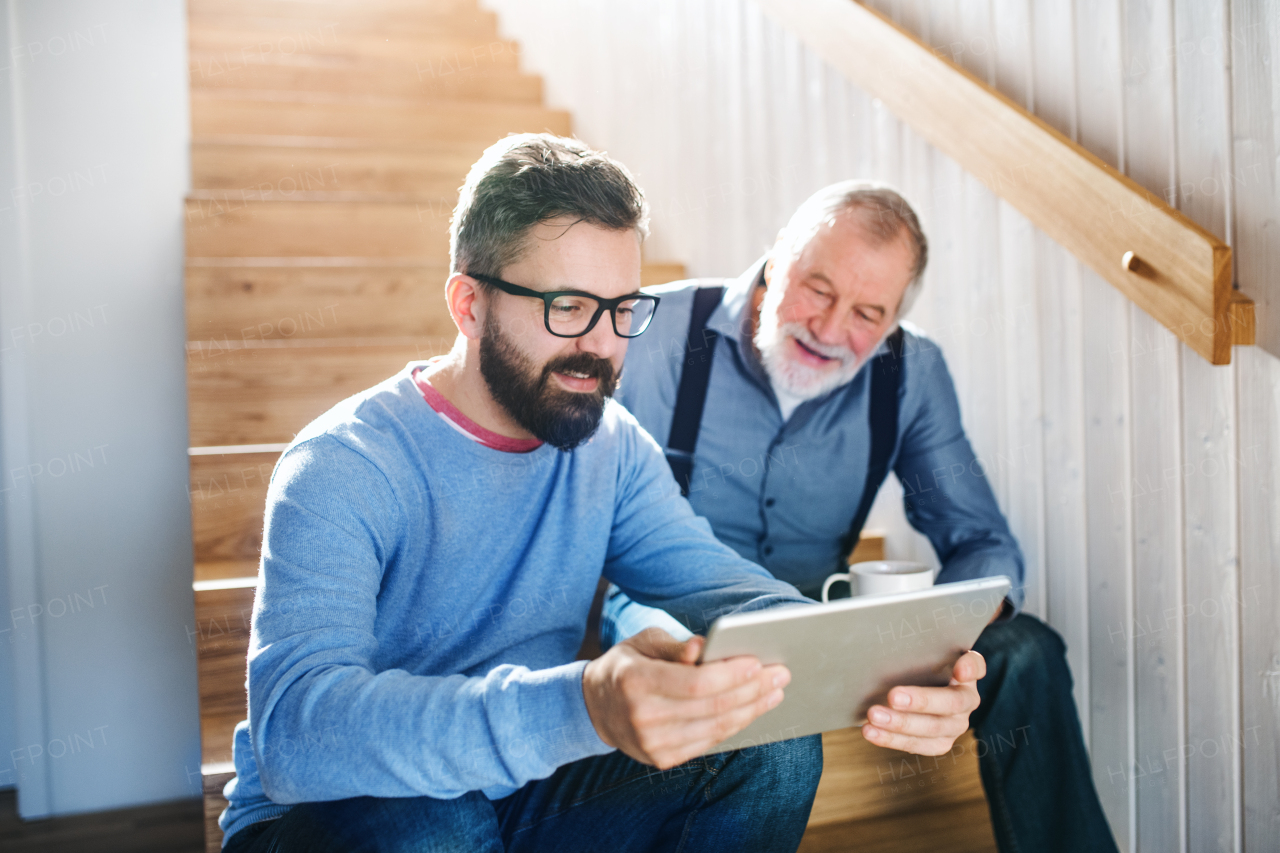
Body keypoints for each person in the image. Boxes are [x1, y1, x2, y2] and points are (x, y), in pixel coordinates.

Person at [215, 135, 986, 853]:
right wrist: (583, 704)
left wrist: (887, 667)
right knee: (431, 817)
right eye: (569, 308)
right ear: (469, 305)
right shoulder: (344, 464)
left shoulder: (610, 448)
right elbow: (297, 736)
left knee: (770, 743)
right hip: (331, 815)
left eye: (622, 310)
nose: (602, 345)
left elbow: (733, 593)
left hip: (521, 793)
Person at [604, 180, 1121, 853]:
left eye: (867, 313)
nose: (828, 329)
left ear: (894, 321)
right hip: (670, 610)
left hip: (822, 614)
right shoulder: (655, 330)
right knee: (714, 684)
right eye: (817, 289)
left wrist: (952, 631)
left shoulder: (912, 370)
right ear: (775, 259)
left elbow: (981, 540)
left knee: (1027, 652)